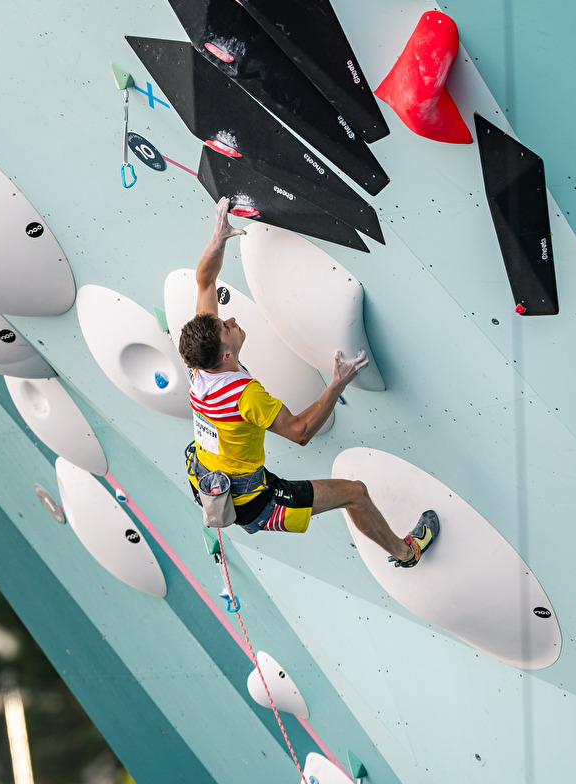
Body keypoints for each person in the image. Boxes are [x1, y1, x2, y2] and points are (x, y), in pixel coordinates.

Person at [177, 198, 437, 568]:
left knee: (350, 492)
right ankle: (406, 553)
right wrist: (337, 383)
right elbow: (299, 432)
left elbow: (205, 280)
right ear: (225, 356)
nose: (231, 320)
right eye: (226, 327)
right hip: (253, 502)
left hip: (206, 473)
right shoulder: (244, 397)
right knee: (356, 494)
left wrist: (217, 239)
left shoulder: (198, 365)